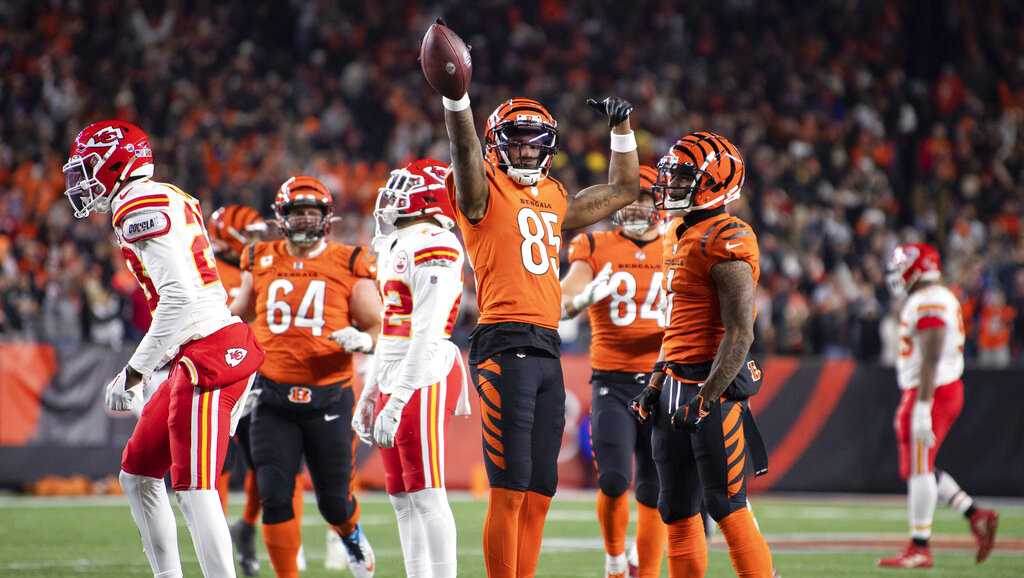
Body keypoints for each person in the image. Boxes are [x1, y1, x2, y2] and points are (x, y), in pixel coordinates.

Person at [428, 34, 642, 576]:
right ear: (497, 144)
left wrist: (621, 131)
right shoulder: (479, 189)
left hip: (547, 345)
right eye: (516, 140)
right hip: (502, 341)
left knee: (541, 488)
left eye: (534, 140)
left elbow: (623, 190)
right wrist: (457, 100)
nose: (525, 149)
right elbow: (464, 153)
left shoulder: (552, 196)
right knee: (508, 485)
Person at [63, 120, 265, 578]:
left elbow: (179, 299)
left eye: (89, 166)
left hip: (208, 353)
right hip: (195, 350)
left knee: (195, 487)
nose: (82, 179)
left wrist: (133, 372)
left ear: (116, 162)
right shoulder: (160, 194)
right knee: (136, 474)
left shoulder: (139, 204)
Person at [630, 131, 775, 577]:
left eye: (684, 177)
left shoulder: (728, 236)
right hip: (674, 384)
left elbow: (739, 333)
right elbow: (677, 325)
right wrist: (657, 380)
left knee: (725, 504)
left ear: (717, 182)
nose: (671, 185)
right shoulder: (678, 231)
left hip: (711, 389)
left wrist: (707, 397)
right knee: (674, 508)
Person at [229, 176, 381, 578]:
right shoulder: (259, 257)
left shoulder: (349, 261)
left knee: (334, 503)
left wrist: (363, 340)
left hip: (329, 398)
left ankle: (349, 533)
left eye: (313, 212)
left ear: (326, 218)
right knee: (275, 494)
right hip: (272, 397)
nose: (305, 220)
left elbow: (377, 326)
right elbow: (237, 312)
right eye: (298, 213)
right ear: (282, 217)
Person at [352, 159, 472, 578]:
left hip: (423, 370)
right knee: (401, 494)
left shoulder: (435, 242)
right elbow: (391, 325)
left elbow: (425, 331)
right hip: (395, 368)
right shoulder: (396, 242)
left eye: (403, 189)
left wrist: (397, 399)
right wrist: (370, 392)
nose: (392, 197)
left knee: (426, 490)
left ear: (427, 196)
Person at [561, 167, 667, 578]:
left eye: (645, 197)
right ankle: (614, 560)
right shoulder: (595, 243)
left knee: (655, 490)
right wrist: (581, 298)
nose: (638, 205)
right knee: (613, 479)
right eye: (631, 197)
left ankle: (650, 572)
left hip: (662, 383)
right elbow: (566, 297)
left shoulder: (677, 245)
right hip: (613, 382)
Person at [877, 243, 999, 569]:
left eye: (903, 265)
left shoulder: (929, 299)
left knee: (919, 468)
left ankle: (920, 547)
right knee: (922, 467)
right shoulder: (933, 296)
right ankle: (974, 513)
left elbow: (932, 352)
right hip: (932, 389)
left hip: (931, 390)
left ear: (919, 268)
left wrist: (922, 405)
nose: (897, 272)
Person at [208, 205, 312, 576]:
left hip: (261, 375)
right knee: (215, 467)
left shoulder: (267, 263)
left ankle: (250, 529)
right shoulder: (207, 268)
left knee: (274, 466)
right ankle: (217, 543)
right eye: (249, 233)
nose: (258, 238)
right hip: (218, 376)